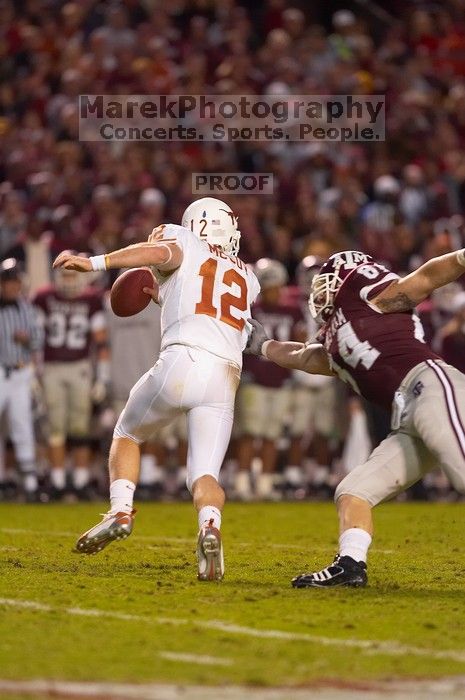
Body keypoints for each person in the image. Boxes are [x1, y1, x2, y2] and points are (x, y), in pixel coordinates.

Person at [53, 197, 260, 581]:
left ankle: (120, 510)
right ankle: (209, 525)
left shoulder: (183, 239)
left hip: (182, 360)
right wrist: (164, 294)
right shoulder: (248, 275)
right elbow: (211, 304)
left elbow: (159, 252)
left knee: (127, 433)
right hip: (226, 374)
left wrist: (94, 263)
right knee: (204, 474)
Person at [246, 248, 465, 587]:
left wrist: (462, 257)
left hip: (430, 386)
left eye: (325, 281)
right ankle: (350, 564)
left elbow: (424, 279)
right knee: (353, 490)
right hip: (407, 417)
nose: (319, 291)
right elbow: (305, 357)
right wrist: (262, 346)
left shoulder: (365, 294)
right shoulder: (335, 336)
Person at [34, 262, 109, 499]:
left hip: (80, 367)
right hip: (52, 367)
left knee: (80, 427)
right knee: (55, 427)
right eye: (64, 276)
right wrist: (35, 374)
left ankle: (80, 481)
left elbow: (101, 342)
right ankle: (57, 482)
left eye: (71, 276)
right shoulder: (44, 298)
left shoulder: (91, 299)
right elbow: (36, 341)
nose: (68, 281)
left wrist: (102, 378)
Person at [236, 258, 302, 501]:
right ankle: (242, 483)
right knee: (249, 434)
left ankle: (264, 484)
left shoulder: (292, 312)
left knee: (272, 435)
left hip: (280, 380)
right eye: (270, 286)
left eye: (278, 286)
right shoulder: (251, 311)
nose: (275, 291)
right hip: (255, 380)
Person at [0, 258, 43, 500]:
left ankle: (30, 482)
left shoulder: (26, 307)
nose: (12, 286)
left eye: (15, 281)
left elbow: (38, 340)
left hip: (20, 372)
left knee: (22, 425)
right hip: (0, 369)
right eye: (8, 281)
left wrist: (27, 339)